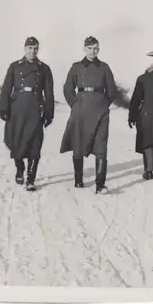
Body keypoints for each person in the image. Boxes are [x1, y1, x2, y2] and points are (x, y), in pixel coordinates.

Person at [60, 36, 117, 194]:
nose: (93, 51)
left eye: (96, 48)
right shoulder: (76, 67)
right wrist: (74, 104)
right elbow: (67, 89)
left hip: (100, 112)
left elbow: (111, 90)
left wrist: (104, 104)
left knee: (101, 146)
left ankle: (100, 184)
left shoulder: (104, 67)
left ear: (99, 50)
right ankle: (78, 179)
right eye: (90, 48)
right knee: (78, 143)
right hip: (81, 111)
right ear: (84, 49)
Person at [0, 37, 54, 191]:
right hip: (17, 109)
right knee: (15, 142)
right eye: (30, 48)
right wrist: (4, 108)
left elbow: (49, 93)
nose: (32, 51)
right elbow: (6, 89)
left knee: (35, 144)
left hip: (36, 109)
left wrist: (49, 113)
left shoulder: (44, 69)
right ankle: (20, 168)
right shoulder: (15, 67)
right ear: (24, 49)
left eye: (35, 48)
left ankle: (30, 179)